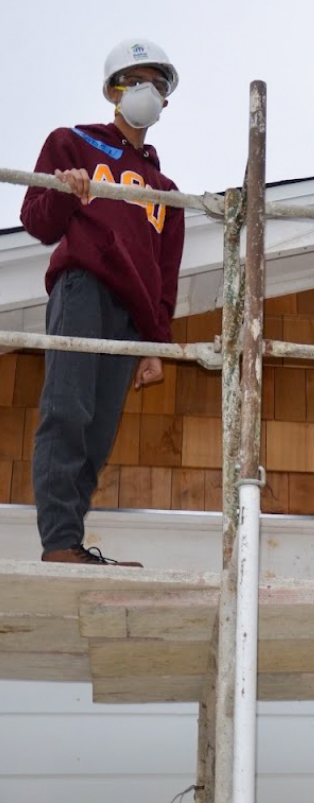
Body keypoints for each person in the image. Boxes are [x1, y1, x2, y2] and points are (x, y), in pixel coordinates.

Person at [20, 38, 185, 567]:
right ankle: (59, 544)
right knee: (68, 410)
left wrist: (156, 346)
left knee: (99, 428)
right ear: (112, 91)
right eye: (132, 81)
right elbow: (38, 221)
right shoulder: (74, 143)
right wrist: (66, 189)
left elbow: (163, 277)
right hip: (83, 288)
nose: (145, 92)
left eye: (156, 84)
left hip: (130, 317)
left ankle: (71, 537)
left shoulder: (166, 190)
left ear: (166, 99)